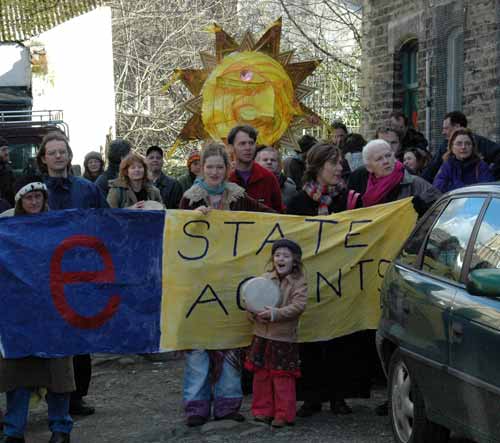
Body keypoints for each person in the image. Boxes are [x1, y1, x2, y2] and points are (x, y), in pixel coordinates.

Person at [178, 144, 273, 427]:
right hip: (198, 284)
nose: (215, 172)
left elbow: (266, 218)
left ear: (227, 169)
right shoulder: (190, 199)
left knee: (231, 343)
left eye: (220, 167)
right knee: (197, 345)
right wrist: (192, 219)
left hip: (231, 282)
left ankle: (227, 403)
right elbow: (177, 235)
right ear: (201, 169)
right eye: (210, 167)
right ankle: (196, 405)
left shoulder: (239, 197)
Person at [287, 144, 365, 418]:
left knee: (340, 337)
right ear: (318, 167)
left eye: (341, 162)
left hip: (342, 279)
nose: (339, 168)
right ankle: (311, 396)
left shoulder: (350, 200)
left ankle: (339, 395)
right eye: (333, 163)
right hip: (310, 281)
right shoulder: (298, 203)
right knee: (310, 338)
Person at [36, 131, 108, 417]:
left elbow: (108, 219)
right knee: (51, 336)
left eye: (61, 151)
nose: (57, 156)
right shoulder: (34, 189)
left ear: (69, 154)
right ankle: (53, 396)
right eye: (51, 152)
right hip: (45, 274)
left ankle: (77, 397)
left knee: (80, 338)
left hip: (82, 272)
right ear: (43, 158)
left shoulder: (87, 189)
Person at [0, 176, 74, 443]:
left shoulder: (58, 227)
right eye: (29, 197)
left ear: (44, 200)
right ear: (21, 200)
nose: (33, 201)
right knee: (17, 377)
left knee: (58, 376)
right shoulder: (6, 229)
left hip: (54, 312)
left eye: (38, 197)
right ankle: (14, 431)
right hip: (20, 316)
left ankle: (61, 428)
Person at [245, 239, 307, 428]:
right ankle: (262, 412)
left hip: (282, 338)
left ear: (294, 260)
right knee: (261, 375)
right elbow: (251, 301)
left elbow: (298, 306)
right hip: (262, 336)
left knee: (282, 377)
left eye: (286, 256)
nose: (281, 258)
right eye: (278, 255)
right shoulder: (264, 279)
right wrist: (255, 314)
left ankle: (284, 415)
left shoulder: (299, 282)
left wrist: (274, 314)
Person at [352, 139, 441, 214]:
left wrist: (421, 216)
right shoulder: (361, 185)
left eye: (388, 155)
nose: (386, 161)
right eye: (379, 159)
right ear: (369, 167)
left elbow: (441, 210)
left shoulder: (414, 183)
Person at [422, 111, 500, 182]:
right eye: (458, 144)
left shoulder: (481, 164)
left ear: (457, 126)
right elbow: (432, 171)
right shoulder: (447, 165)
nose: (463, 147)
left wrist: (491, 174)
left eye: (446, 128)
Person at [228, 125, 284, 212]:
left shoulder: (268, 178)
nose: (248, 148)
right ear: (231, 148)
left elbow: (280, 213)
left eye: (251, 143)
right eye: (242, 144)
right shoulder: (224, 178)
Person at [433, 128, 495, 193]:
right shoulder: (447, 166)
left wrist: (454, 186)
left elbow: (487, 189)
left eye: (468, 143)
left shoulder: (481, 166)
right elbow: (438, 186)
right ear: (452, 147)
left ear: (473, 147)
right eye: (459, 143)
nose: (463, 147)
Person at [0, 136, 15, 205]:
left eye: (7, 149)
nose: (7, 152)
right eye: (3, 150)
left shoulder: (7, 169)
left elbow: (12, 191)